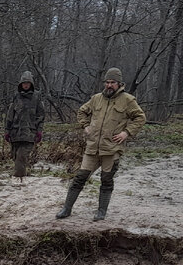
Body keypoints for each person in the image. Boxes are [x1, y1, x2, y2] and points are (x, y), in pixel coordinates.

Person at [57, 67, 146, 221]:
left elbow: (140, 117)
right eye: (107, 82)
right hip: (92, 148)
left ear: (119, 84)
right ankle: (67, 208)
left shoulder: (128, 100)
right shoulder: (96, 98)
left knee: (106, 180)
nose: (109, 85)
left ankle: (101, 212)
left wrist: (126, 132)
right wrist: (85, 126)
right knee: (80, 178)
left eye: (112, 82)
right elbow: (82, 111)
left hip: (111, 149)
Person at [4, 71, 45, 184]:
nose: (25, 85)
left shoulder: (36, 97)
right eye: (24, 83)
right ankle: (21, 178)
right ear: (20, 84)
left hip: (29, 133)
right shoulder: (16, 96)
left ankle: (18, 181)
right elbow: (10, 114)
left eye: (27, 83)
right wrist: (7, 130)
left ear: (31, 83)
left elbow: (41, 115)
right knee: (15, 156)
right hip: (15, 132)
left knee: (21, 157)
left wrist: (39, 131)